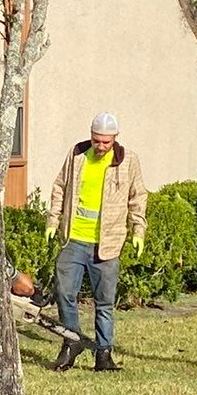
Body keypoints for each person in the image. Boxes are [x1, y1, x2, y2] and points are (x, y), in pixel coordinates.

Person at [49, 111, 147, 372]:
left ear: (115, 138)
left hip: (108, 244)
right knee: (64, 293)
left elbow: (138, 197)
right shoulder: (77, 155)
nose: (101, 146)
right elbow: (60, 186)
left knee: (104, 302)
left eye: (106, 141)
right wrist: (52, 221)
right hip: (74, 239)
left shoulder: (127, 161)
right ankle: (71, 343)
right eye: (97, 140)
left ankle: (103, 355)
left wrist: (138, 230)